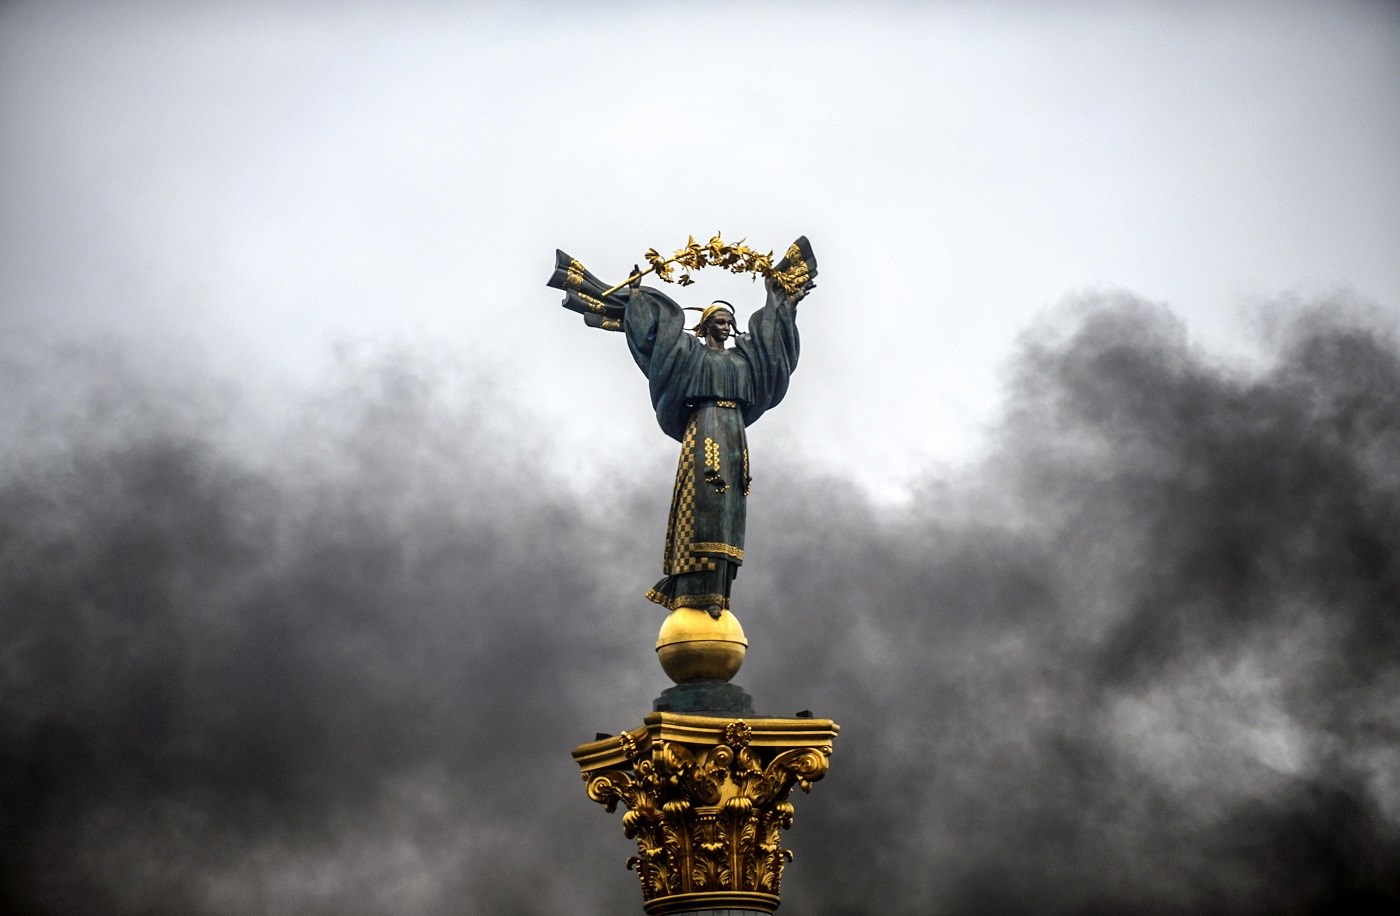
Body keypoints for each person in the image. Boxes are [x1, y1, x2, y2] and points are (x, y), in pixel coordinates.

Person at [621, 243, 815, 618]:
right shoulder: (691, 355)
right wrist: (636, 299)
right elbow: (656, 341)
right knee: (705, 501)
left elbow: (772, 349)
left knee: (730, 508)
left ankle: (720, 589)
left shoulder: (743, 360)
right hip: (704, 427)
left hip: (734, 432)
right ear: (707, 324)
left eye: (729, 323)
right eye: (720, 322)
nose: (726, 328)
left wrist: (783, 305)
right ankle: (695, 586)